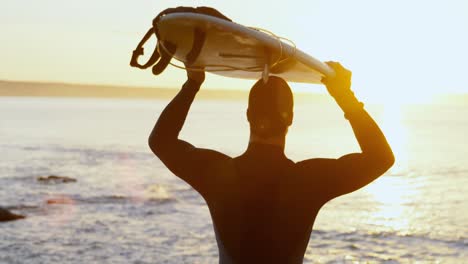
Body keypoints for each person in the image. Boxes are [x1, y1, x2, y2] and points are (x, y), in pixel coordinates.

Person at [148, 62, 394, 263]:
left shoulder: (218, 173)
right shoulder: (309, 180)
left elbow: (161, 141)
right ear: (292, 119)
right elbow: (381, 158)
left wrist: (193, 84)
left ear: (247, 115)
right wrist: (345, 96)